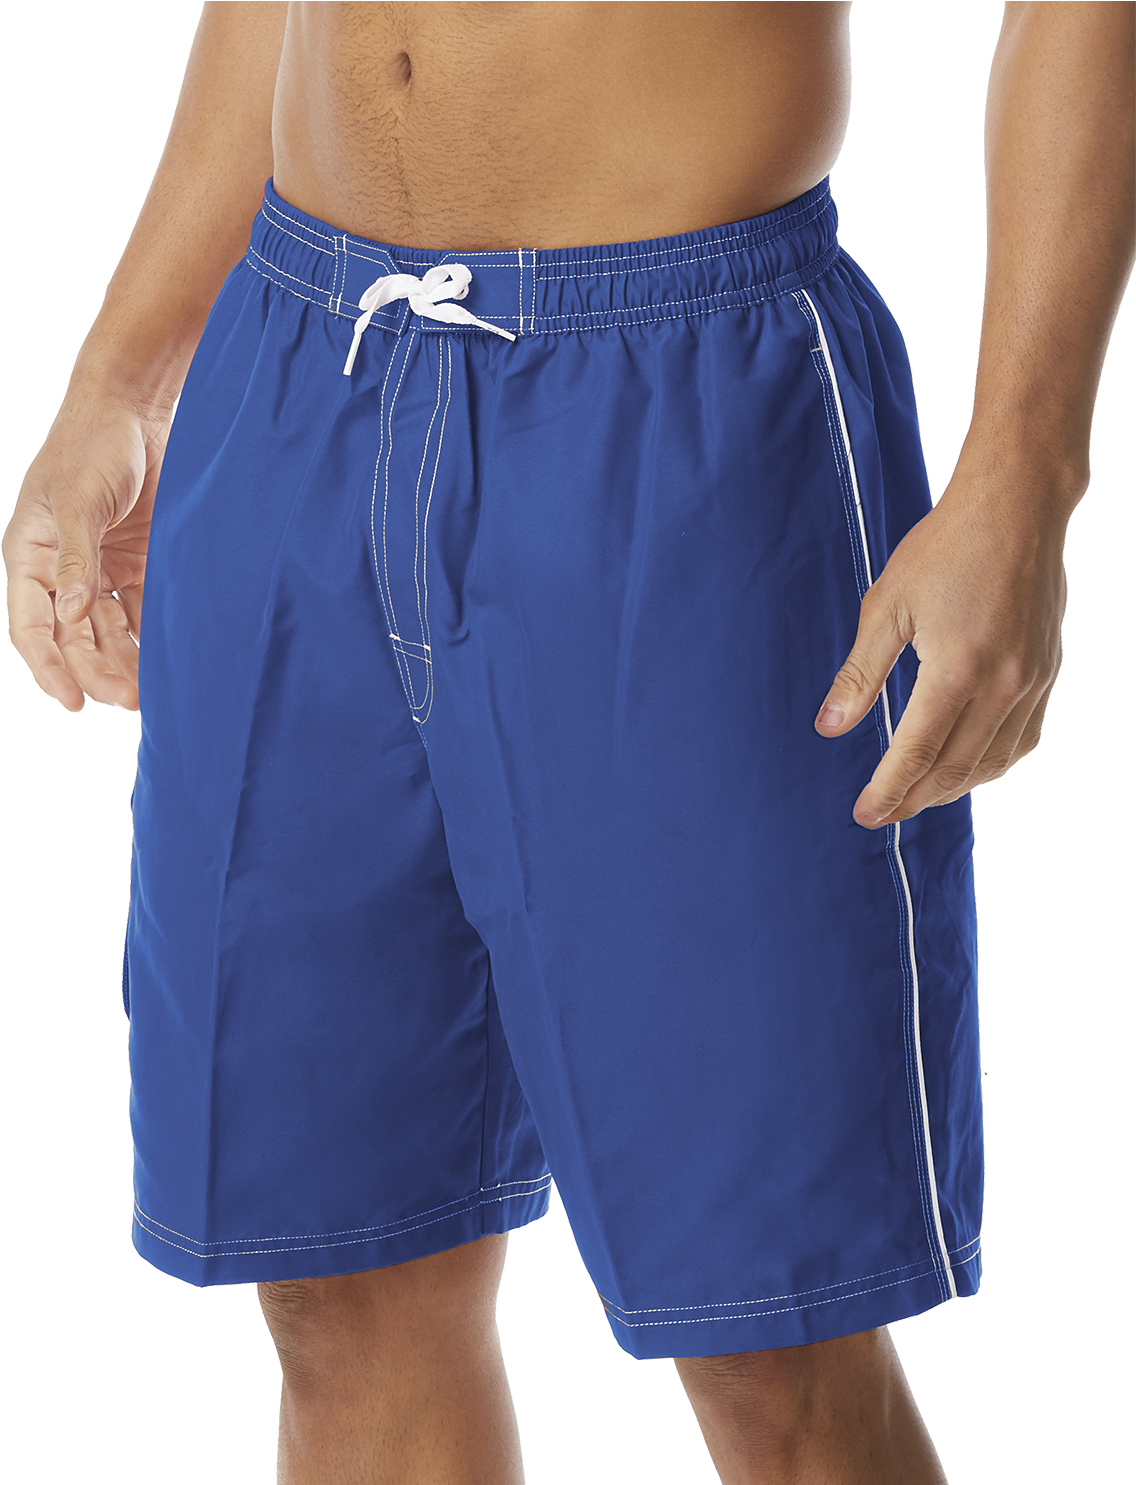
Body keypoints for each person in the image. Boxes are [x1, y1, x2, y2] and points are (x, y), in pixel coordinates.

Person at [5, 3, 1133, 1481]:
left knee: (771, 1330)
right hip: (298, 363)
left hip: (683, 401)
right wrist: (120, 375)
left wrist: (1026, 474)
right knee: (342, 1284)